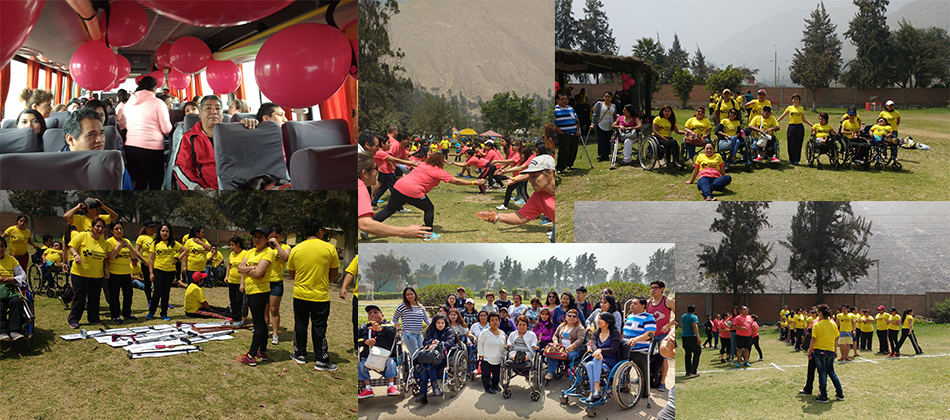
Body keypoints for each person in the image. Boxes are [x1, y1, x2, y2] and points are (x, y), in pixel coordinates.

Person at [373, 153, 485, 241]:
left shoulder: (423, 164)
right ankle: (429, 234)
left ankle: (368, 228)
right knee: (429, 208)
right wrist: (474, 183)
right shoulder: (439, 171)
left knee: (388, 210)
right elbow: (456, 181)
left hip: (398, 187)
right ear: (440, 162)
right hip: (412, 190)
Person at [172, 95, 261, 190]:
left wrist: (247, 126)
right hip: (206, 188)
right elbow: (180, 167)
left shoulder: (234, 133)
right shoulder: (189, 137)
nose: (214, 112)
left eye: (218, 108)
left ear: (222, 115)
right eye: (208, 108)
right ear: (200, 113)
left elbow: (251, 160)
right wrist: (199, 188)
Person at [287, 218, 339, 371]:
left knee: (300, 325)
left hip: (300, 294)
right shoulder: (329, 248)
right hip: (320, 296)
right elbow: (334, 272)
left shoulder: (296, 249)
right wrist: (322, 281)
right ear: (320, 231)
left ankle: (300, 354)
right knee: (319, 327)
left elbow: (291, 274)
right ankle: (321, 360)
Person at [480, 155, 556, 242]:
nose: (530, 180)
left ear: (549, 174)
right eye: (529, 176)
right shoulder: (538, 196)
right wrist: (498, 216)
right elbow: (521, 216)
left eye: (534, 176)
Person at [357, 153, 431, 239]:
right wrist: (406, 231)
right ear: (365, 173)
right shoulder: (360, 187)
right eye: (376, 168)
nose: (378, 171)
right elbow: (365, 224)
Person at [118, 76, 174, 189]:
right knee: (155, 183)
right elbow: (166, 129)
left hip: (131, 148)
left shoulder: (129, 103)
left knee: (139, 182)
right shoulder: (158, 103)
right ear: (154, 88)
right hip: (152, 149)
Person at [236, 227, 277, 366]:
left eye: (260, 236)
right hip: (251, 290)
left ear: (266, 239)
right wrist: (251, 269)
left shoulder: (269, 252)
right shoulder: (251, 251)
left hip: (260, 291)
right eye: (254, 236)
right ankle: (262, 351)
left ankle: (251, 355)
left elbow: (259, 273)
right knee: (261, 323)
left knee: (258, 323)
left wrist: (249, 269)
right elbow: (239, 269)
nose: (257, 239)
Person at [66, 217, 108, 328]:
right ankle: (74, 319)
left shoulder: (103, 242)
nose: (100, 229)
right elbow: (71, 246)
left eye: (102, 227)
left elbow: (105, 258)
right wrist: (76, 255)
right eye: (97, 226)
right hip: (80, 273)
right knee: (80, 297)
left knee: (94, 297)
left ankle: (93, 318)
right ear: (92, 227)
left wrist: (106, 270)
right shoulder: (82, 236)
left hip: (97, 275)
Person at [357, 304, 401, 399]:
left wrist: (380, 328)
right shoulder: (363, 327)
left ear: (382, 315)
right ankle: (368, 388)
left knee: (391, 363)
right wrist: (365, 342)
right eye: (370, 313)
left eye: (375, 312)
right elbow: (356, 340)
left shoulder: (389, 324)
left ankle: (391, 386)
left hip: (385, 357)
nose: (372, 314)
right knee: (360, 364)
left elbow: (392, 330)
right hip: (368, 357)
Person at [105, 221, 143, 323]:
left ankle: (127, 313)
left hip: (126, 273)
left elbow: (134, 256)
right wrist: (118, 247)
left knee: (128, 294)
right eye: (116, 229)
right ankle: (115, 315)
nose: (119, 231)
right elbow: (111, 257)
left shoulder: (126, 241)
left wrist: (129, 246)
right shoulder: (109, 242)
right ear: (111, 231)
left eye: (121, 228)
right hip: (114, 273)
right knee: (114, 295)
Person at [581, 311, 622, 402]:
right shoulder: (596, 333)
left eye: (600, 319)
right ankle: (593, 391)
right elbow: (593, 345)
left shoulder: (614, 333)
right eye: (598, 319)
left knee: (596, 359)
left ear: (607, 322)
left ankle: (595, 388)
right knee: (589, 364)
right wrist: (596, 351)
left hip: (609, 361)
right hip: (597, 359)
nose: (598, 321)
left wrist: (600, 351)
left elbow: (614, 349)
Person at [415, 314, 456, 404]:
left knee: (427, 365)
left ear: (445, 323)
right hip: (431, 354)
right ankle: (435, 388)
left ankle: (423, 394)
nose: (440, 325)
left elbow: (450, 343)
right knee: (427, 364)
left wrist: (438, 343)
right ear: (435, 323)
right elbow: (425, 341)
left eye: (442, 323)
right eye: (438, 323)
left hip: (444, 355)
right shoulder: (431, 330)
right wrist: (431, 343)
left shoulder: (449, 331)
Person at [809, 304, 844, 403]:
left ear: (820, 313)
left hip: (819, 350)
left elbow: (813, 338)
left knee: (822, 373)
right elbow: (836, 337)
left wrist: (809, 350)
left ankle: (823, 395)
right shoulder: (833, 324)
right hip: (830, 350)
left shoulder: (817, 324)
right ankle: (840, 393)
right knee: (831, 372)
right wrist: (835, 350)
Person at [372, 134, 419, 207]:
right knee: (395, 189)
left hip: (386, 170)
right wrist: (410, 163)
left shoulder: (401, 148)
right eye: (388, 143)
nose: (390, 145)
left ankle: (373, 202)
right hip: (386, 170)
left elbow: (404, 159)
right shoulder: (384, 150)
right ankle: (398, 207)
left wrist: (414, 165)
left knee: (383, 187)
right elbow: (393, 159)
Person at [263, 225, 291, 345]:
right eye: (271, 237)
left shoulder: (285, 247)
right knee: (264, 309)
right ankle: (264, 331)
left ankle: (275, 334)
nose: (274, 239)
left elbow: (285, 258)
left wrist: (277, 245)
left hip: (276, 282)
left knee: (274, 309)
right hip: (264, 281)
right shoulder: (265, 248)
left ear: (281, 236)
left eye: (276, 236)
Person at [147, 223, 181, 321]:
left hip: (170, 271)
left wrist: (177, 259)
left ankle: (164, 313)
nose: (165, 233)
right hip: (158, 270)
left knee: (166, 293)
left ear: (170, 233)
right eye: (163, 231)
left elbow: (184, 250)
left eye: (167, 231)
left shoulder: (173, 243)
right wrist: (151, 273)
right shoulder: (155, 243)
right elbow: (150, 259)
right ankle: (151, 312)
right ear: (159, 232)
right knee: (157, 293)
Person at [0, 237, 29, 341]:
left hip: (10, 289)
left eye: (2, 246)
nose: (0, 249)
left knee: (17, 301)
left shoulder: (11, 259)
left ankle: (14, 331)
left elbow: (22, 275)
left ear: (5, 247)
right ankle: (2, 331)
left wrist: (11, 279)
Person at [648, 280, 674, 391]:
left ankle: (662, 382)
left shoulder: (668, 301)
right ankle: (646, 378)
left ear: (662, 289)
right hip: (650, 335)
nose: (652, 290)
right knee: (647, 357)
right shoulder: (648, 302)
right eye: (651, 288)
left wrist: (669, 325)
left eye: (655, 288)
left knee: (663, 358)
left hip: (664, 335)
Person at [544, 308, 584, 381]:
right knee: (553, 354)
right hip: (560, 348)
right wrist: (556, 343)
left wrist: (572, 346)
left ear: (577, 318)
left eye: (574, 316)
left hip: (572, 350)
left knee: (559, 355)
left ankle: (568, 369)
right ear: (566, 317)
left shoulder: (579, 328)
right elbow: (555, 336)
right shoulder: (562, 326)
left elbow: (580, 339)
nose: (571, 317)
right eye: (569, 315)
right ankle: (550, 373)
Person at [392, 286, 430, 358]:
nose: (410, 296)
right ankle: (415, 368)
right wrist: (399, 329)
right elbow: (395, 319)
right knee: (416, 355)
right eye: (407, 294)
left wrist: (432, 326)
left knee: (423, 353)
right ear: (405, 296)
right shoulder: (402, 306)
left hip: (419, 334)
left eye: (411, 294)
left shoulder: (420, 306)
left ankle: (419, 368)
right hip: (409, 335)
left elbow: (426, 319)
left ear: (415, 294)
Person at [776, 94, 812, 165]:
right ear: (792, 100)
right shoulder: (789, 108)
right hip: (791, 127)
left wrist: (811, 125)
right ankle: (791, 159)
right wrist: (776, 121)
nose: (795, 100)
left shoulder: (801, 108)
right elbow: (783, 115)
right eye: (794, 99)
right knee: (791, 143)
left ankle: (796, 160)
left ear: (799, 101)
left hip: (799, 127)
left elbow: (804, 119)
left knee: (798, 144)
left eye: (797, 99)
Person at [478, 312, 507, 395]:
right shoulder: (485, 333)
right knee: (486, 374)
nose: (495, 322)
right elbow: (480, 343)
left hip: (498, 357)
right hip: (487, 357)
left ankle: (495, 385)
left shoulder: (502, 333)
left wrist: (504, 354)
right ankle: (487, 387)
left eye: (496, 320)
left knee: (496, 374)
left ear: (499, 321)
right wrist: (481, 354)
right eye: (492, 320)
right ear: (489, 322)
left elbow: (504, 345)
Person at [553, 93, 580, 173]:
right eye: (562, 99)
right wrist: (560, 132)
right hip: (563, 133)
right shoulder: (555, 110)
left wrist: (577, 130)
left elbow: (576, 120)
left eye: (566, 99)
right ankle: (560, 168)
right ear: (557, 100)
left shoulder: (570, 108)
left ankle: (569, 164)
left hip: (573, 133)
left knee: (573, 150)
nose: (564, 100)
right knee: (564, 151)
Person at [225, 236, 248, 326]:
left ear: (238, 244)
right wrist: (226, 275)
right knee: (233, 299)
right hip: (231, 280)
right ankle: (234, 316)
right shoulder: (232, 254)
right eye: (230, 245)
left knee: (240, 300)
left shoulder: (245, 254)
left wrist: (243, 282)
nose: (231, 247)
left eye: (232, 245)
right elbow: (229, 265)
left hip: (240, 282)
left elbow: (245, 267)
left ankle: (241, 317)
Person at [591, 91, 618, 161]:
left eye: (609, 97)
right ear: (603, 97)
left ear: (611, 98)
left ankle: (607, 154)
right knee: (601, 140)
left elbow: (614, 115)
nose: (607, 98)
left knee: (609, 140)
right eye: (606, 97)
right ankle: (601, 154)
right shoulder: (599, 104)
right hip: (601, 124)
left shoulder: (613, 106)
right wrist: (592, 124)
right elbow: (595, 115)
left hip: (610, 125)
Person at [682, 304, 701, 377]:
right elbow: (695, 326)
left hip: (684, 337)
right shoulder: (694, 317)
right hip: (692, 337)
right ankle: (693, 370)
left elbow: (681, 325)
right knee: (697, 352)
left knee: (688, 354)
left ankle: (688, 371)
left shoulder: (683, 316)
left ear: (687, 309)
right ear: (694, 310)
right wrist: (698, 337)